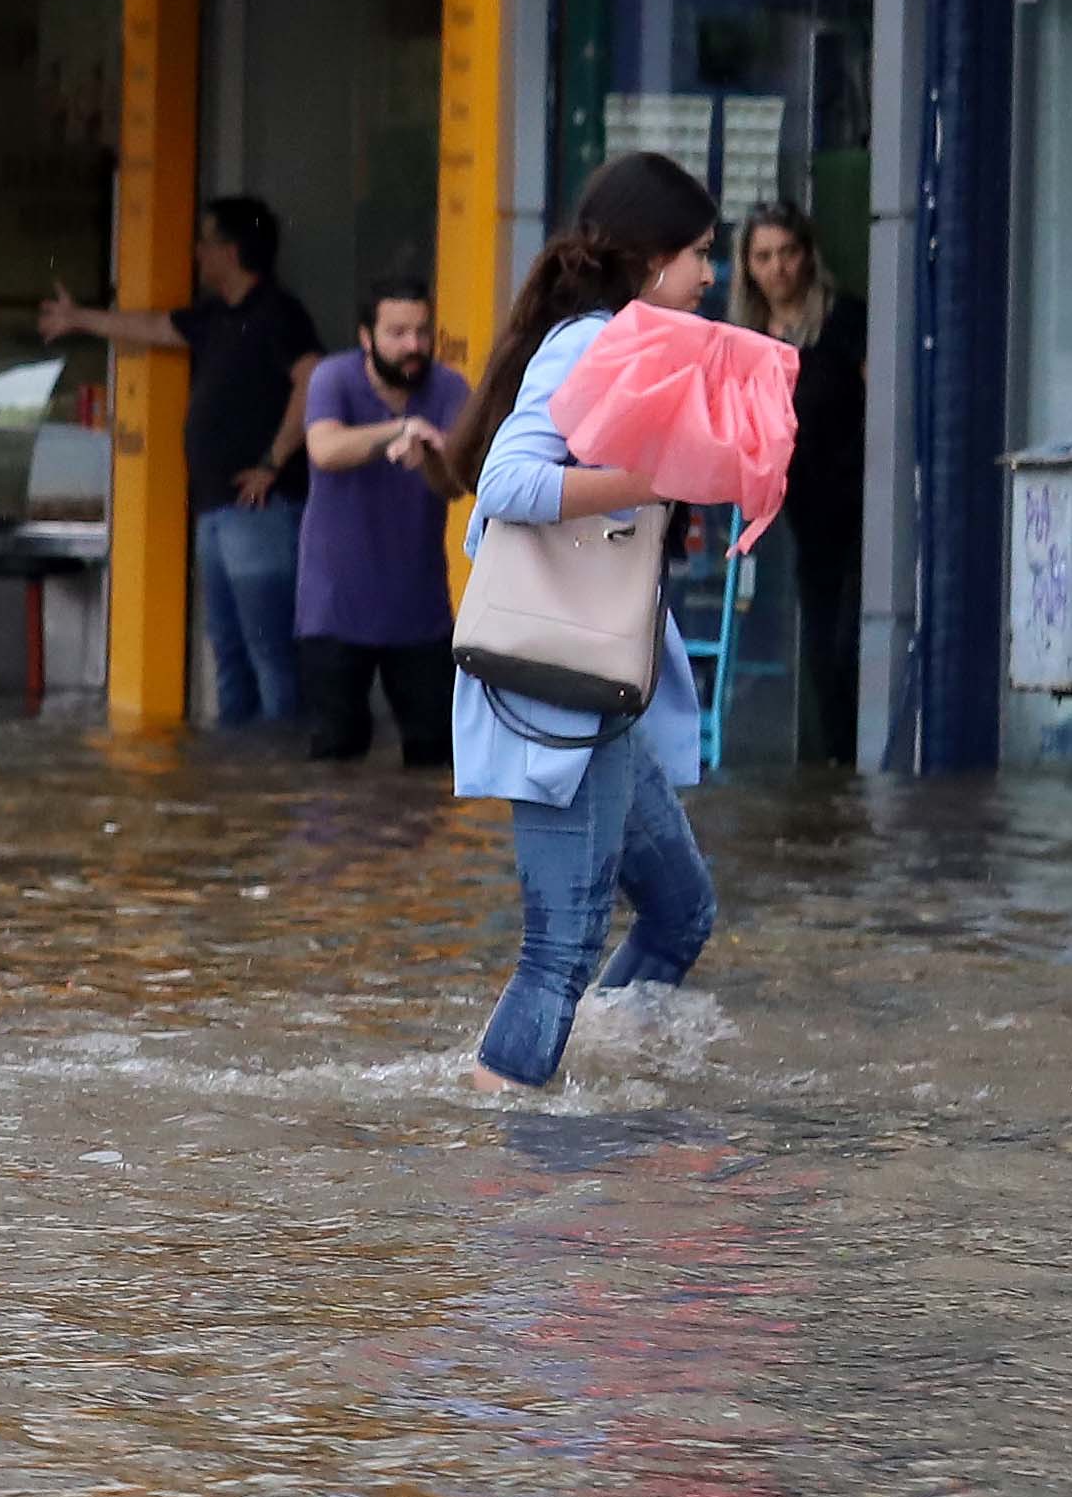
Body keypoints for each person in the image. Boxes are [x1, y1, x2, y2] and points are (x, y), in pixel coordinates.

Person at [454, 151, 739, 1093]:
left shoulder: (624, 344)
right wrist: (656, 483)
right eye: (700, 253)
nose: (710, 274)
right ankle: (507, 1145)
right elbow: (506, 484)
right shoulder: (590, 343)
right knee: (561, 950)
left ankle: (598, 1081)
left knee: (679, 912)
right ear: (652, 260)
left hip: (601, 688)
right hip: (564, 686)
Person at [46, 194, 323, 728]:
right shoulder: (215, 315)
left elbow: (312, 379)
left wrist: (272, 460)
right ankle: (236, 775)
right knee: (228, 650)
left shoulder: (278, 314)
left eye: (207, 242)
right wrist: (79, 318)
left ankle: (279, 775)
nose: (197, 253)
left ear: (232, 250)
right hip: (218, 508)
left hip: (259, 509)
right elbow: (151, 329)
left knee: (271, 655)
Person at [291, 267, 470, 770]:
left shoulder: (451, 388)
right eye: (397, 333)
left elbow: (460, 484)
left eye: (421, 331)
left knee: (438, 761)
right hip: (333, 610)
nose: (413, 345)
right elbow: (323, 449)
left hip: (420, 612)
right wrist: (399, 431)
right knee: (334, 758)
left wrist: (432, 458)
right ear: (366, 337)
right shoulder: (333, 378)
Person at [734, 199, 864, 770]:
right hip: (799, 508)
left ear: (807, 255)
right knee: (818, 647)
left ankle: (853, 764)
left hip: (858, 498)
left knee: (849, 643)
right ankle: (835, 767)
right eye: (764, 256)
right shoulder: (746, 337)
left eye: (787, 253)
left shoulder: (843, 319)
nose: (778, 268)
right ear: (749, 266)